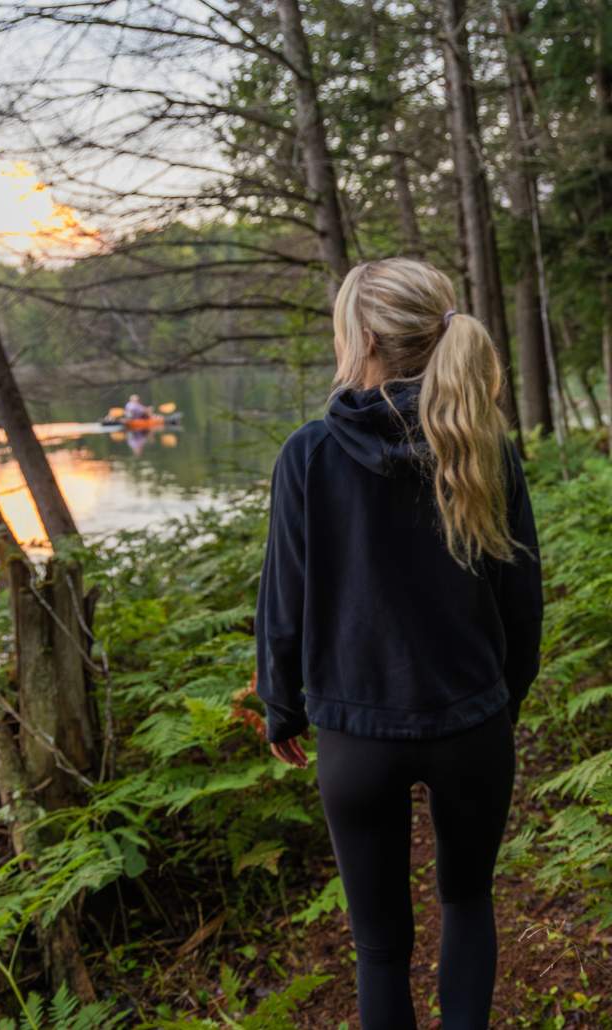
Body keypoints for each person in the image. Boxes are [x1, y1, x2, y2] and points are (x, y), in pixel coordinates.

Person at [254, 257, 543, 1030]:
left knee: (379, 948)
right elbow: (523, 599)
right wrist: (500, 701)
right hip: (471, 724)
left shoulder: (308, 455)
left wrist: (279, 706)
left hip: (356, 734)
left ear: (367, 339)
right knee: (467, 901)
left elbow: (284, 599)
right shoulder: (484, 446)